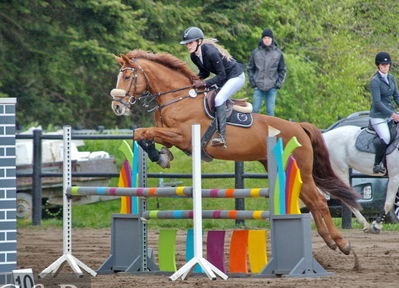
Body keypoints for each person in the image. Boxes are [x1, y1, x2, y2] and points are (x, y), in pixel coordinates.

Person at [180, 26, 245, 147]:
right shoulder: (194, 56)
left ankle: (222, 136)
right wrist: (192, 80)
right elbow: (205, 73)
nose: (188, 46)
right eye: (186, 44)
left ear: (199, 41)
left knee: (219, 99)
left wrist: (204, 83)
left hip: (235, 77)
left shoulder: (211, 52)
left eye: (190, 43)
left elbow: (221, 75)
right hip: (224, 78)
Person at [369, 51, 399, 174]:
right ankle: (377, 164)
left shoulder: (391, 78)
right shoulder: (375, 81)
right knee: (386, 137)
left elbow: (396, 96)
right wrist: (392, 114)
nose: (385, 67)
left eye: (387, 65)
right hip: (378, 116)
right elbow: (377, 102)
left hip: (389, 113)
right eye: (382, 65)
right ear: (378, 66)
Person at [247, 28, 286, 116]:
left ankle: (270, 129)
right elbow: (250, 68)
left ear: (272, 39)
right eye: (265, 38)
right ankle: (253, 130)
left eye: (269, 38)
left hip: (272, 87)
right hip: (258, 86)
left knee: (270, 112)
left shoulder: (278, 53)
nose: (267, 40)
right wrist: (253, 83)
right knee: (255, 111)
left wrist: (278, 83)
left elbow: (282, 69)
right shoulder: (256, 52)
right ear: (262, 39)